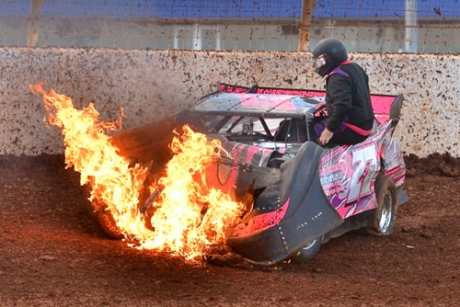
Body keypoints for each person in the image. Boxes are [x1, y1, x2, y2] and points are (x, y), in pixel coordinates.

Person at [311, 38, 375, 146]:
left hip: (354, 130)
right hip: (365, 125)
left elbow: (343, 106)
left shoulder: (338, 77)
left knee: (310, 131)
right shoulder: (355, 68)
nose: (316, 65)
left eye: (319, 61)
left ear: (329, 59)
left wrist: (329, 130)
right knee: (318, 121)